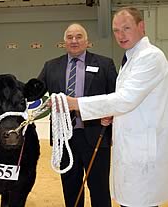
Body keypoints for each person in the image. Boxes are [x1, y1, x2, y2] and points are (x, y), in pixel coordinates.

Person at [66, 7, 168, 207]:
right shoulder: (131, 58)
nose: (121, 35)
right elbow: (131, 101)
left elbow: (125, 99)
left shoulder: (150, 57)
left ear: (141, 27)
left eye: (126, 28)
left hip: (142, 151)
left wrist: (76, 103)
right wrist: (113, 114)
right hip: (130, 148)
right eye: (116, 30)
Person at [38, 23, 117, 207]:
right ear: (64, 42)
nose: (74, 40)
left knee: (99, 189)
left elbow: (115, 97)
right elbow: (37, 94)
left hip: (97, 136)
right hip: (65, 139)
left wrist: (111, 115)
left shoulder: (105, 64)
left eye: (79, 36)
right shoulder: (51, 66)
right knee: (71, 188)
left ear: (87, 41)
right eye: (70, 37)